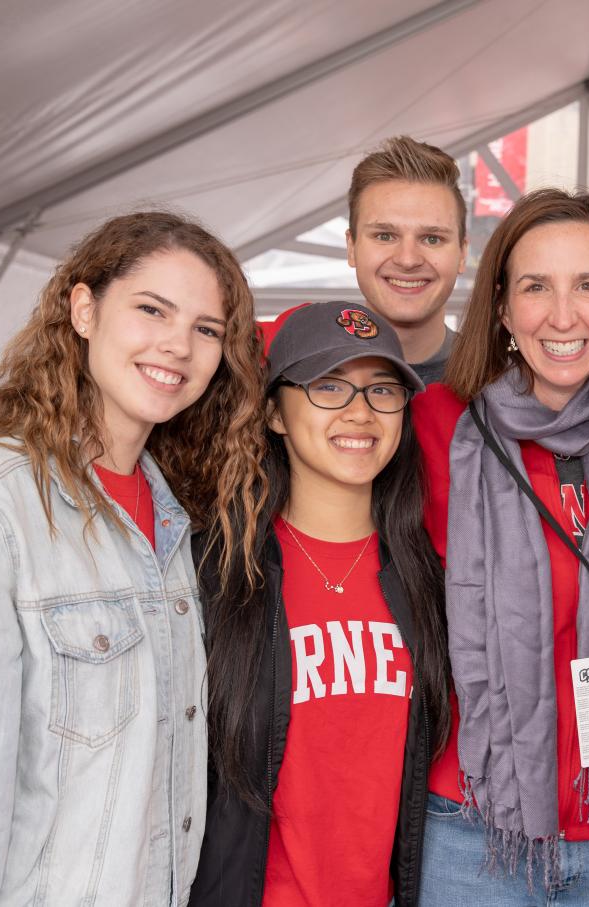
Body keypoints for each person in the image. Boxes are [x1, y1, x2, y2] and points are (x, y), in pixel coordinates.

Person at [0, 211, 268, 903]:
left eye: (206, 329)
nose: (178, 345)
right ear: (82, 308)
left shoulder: (172, 519)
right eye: (151, 309)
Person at [413, 188, 589, 903]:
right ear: (502, 306)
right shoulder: (437, 427)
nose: (563, 316)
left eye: (587, 285)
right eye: (536, 286)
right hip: (478, 821)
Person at [190, 301, 450, 906]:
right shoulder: (217, 572)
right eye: (328, 386)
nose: (360, 412)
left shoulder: (426, 577)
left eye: (383, 390)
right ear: (275, 414)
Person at [347, 135, 469, 384]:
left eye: (432, 239)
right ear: (352, 247)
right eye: (385, 235)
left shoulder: (502, 385)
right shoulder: (299, 377)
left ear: (462, 254)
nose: (408, 260)